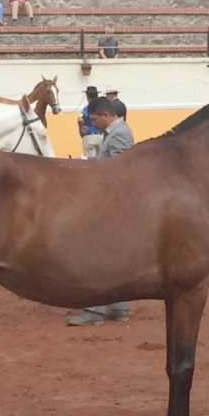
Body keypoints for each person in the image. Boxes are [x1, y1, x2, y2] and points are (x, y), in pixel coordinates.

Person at [66, 97, 136, 327]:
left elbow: (119, 168)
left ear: (106, 115)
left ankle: (94, 311)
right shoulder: (117, 132)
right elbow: (108, 161)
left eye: (96, 119)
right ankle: (118, 307)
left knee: (98, 253)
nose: (95, 124)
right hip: (119, 203)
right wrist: (84, 161)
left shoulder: (120, 134)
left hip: (113, 202)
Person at [77, 86, 103, 157]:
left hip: (90, 137)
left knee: (91, 162)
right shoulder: (102, 108)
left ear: (88, 97)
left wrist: (81, 126)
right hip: (101, 137)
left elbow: (80, 119)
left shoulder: (87, 108)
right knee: (101, 160)